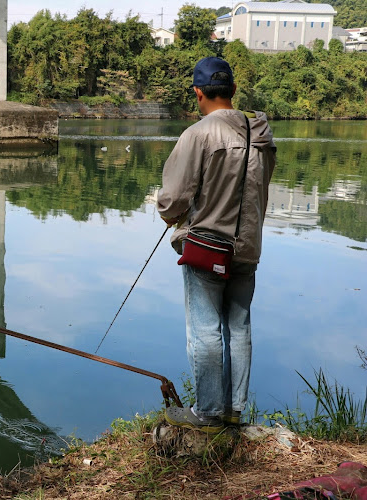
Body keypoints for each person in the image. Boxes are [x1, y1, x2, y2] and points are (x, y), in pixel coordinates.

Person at [157, 57, 277, 433]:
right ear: (233, 91)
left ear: (197, 92)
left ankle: (208, 413)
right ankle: (233, 411)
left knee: (205, 330)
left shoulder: (198, 134)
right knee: (239, 328)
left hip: (208, 248)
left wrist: (168, 212)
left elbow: (172, 200)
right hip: (248, 249)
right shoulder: (261, 134)